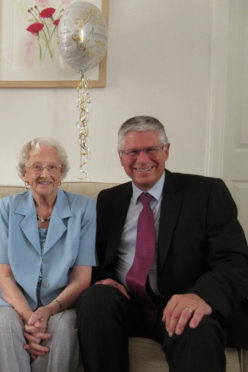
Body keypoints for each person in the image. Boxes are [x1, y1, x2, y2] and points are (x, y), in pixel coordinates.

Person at [76, 116, 248, 372]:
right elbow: (96, 258)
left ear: (166, 150)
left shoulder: (206, 192)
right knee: (96, 298)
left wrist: (199, 296)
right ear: (121, 157)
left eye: (151, 150)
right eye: (133, 152)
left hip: (182, 302)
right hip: (129, 305)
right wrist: (103, 278)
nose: (142, 160)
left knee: (195, 324)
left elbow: (234, 260)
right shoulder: (109, 200)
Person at [0, 138, 96, 372]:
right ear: (24, 173)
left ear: (61, 172)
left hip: (62, 302)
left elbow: (82, 277)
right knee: (4, 325)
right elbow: (4, 274)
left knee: (63, 330)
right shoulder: (8, 207)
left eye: (52, 167)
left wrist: (48, 310)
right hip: (12, 300)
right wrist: (27, 316)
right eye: (37, 167)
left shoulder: (84, 208)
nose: (45, 173)